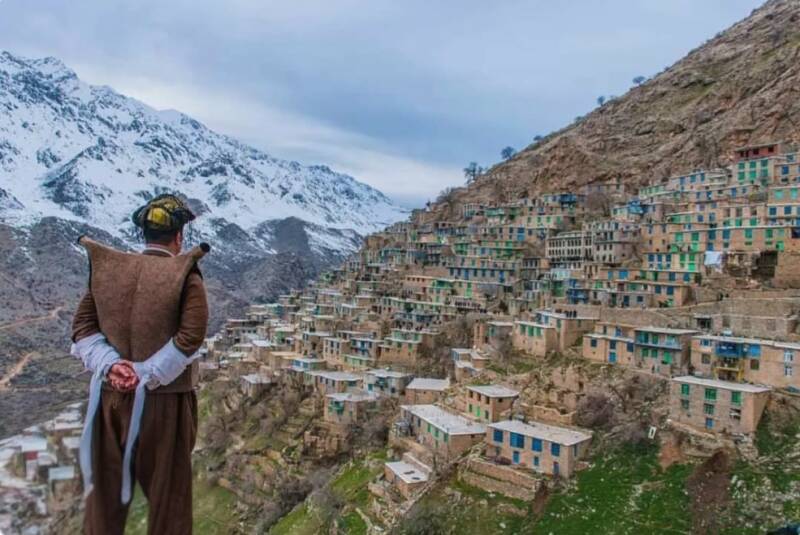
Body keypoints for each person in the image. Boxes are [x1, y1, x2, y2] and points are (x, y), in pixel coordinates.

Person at [70, 194, 210, 535]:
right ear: (179, 237)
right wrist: (145, 374)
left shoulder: (107, 272)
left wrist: (112, 366)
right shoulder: (185, 276)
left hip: (109, 402)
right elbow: (190, 336)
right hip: (165, 406)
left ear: (143, 235)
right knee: (169, 505)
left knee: (103, 504)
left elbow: (83, 327)